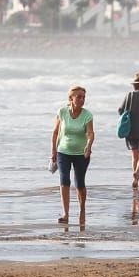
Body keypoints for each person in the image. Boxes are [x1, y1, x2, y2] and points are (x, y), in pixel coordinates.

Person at [50, 84, 94, 225]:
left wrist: (88, 145)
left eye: (84, 97)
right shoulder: (62, 112)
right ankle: (65, 214)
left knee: (79, 183)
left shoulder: (87, 115)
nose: (82, 100)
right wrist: (53, 151)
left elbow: (90, 133)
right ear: (71, 98)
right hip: (63, 151)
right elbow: (55, 132)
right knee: (64, 181)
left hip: (82, 153)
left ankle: (82, 210)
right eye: (79, 97)